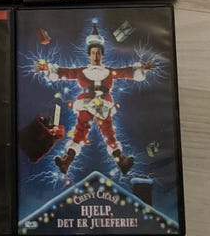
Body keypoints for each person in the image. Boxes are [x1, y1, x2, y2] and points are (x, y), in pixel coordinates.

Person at [36, 20, 153, 175]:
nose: (96, 56)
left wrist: (141, 68)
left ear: (102, 54)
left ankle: (121, 161)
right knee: (80, 132)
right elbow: (64, 72)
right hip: (86, 103)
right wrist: (48, 68)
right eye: (93, 53)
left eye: (98, 53)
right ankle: (67, 161)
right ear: (89, 54)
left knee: (109, 133)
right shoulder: (81, 71)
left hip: (103, 104)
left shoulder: (109, 72)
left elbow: (126, 72)